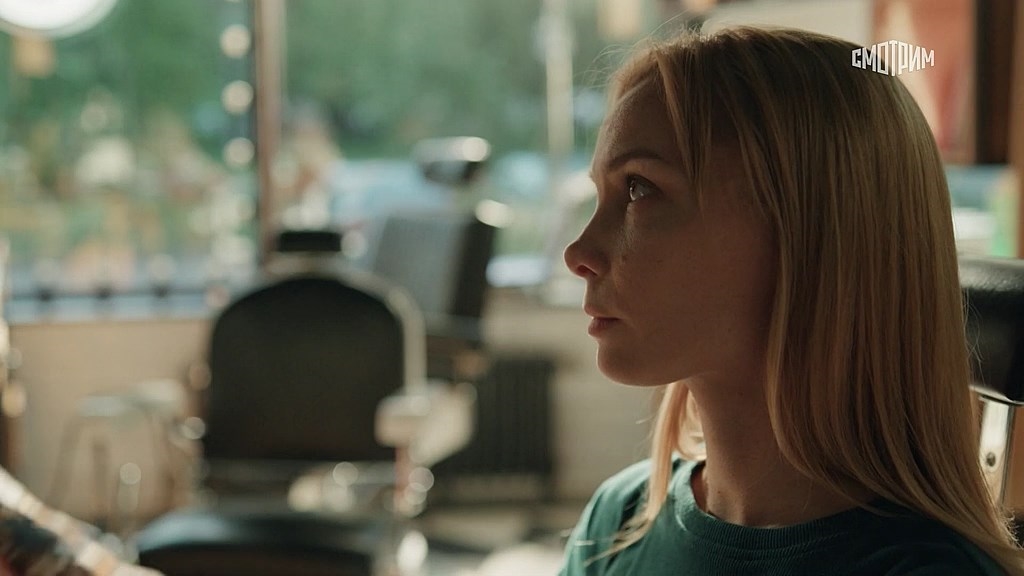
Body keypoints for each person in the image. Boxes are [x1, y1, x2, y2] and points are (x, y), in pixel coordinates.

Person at [560, 26, 1024, 575]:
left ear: (810, 232)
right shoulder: (618, 521)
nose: (578, 253)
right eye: (602, 193)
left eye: (639, 188)